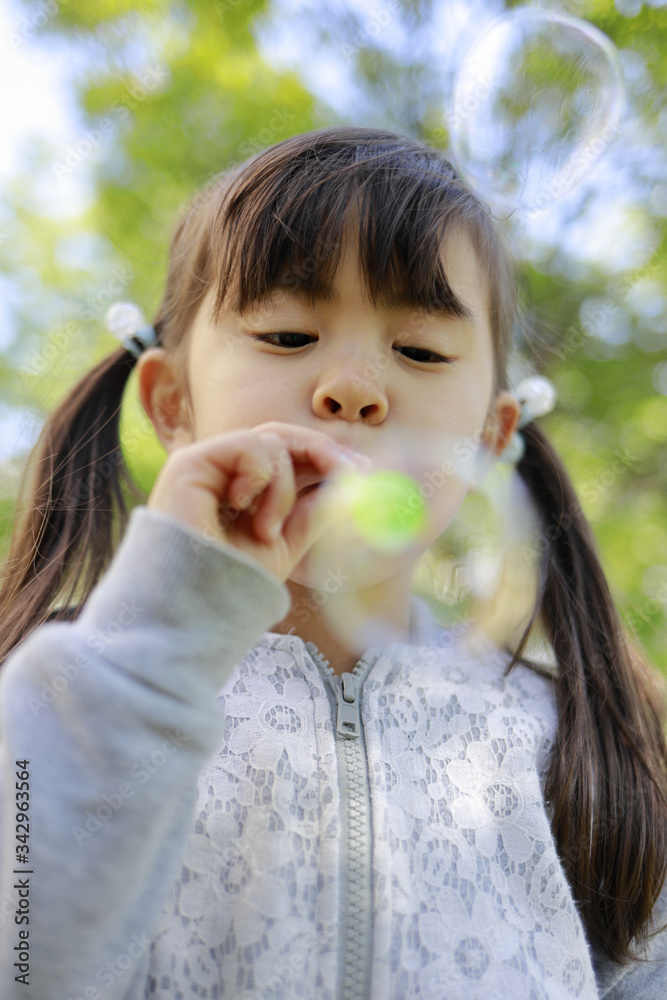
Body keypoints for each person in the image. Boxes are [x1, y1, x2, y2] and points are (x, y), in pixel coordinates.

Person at [0, 125, 665, 1000]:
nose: (353, 387)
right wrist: (163, 632)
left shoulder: (583, 734)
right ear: (172, 404)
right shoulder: (80, 688)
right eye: (285, 335)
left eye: (420, 351)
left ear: (492, 439)